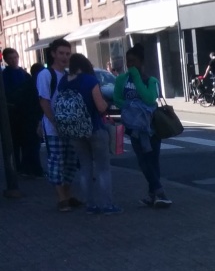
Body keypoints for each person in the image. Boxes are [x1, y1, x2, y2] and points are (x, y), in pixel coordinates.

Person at [114, 44, 170, 208]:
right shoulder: (121, 79)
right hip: (135, 128)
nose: (130, 65)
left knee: (153, 161)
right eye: (128, 62)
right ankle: (157, 193)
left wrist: (137, 78)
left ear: (141, 62)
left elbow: (149, 99)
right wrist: (132, 108)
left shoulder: (151, 80)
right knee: (143, 161)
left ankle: (156, 194)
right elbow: (117, 99)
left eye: (134, 61)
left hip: (152, 127)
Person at [61, 53, 116, 214]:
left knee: (85, 168)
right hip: (94, 128)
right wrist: (106, 104)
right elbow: (100, 107)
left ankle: (90, 205)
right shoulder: (90, 80)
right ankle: (107, 205)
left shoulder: (64, 82)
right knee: (102, 169)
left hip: (74, 130)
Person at [36, 39, 83, 212]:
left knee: (70, 162)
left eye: (67, 53)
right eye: (61, 53)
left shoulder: (69, 74)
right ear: (53, 54)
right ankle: (62, 198)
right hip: (54, 128)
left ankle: (68, 194)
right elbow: (44, 100)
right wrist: (54, 122)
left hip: (70, 126)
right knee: (56, 161)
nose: (64, 57)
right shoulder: (46, 75)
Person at [3, 47, 44, 178]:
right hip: (12, 114)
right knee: (14, 143)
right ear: (6, 60)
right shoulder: (4, 76)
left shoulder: (24, 74)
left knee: (27, 142)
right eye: (10, 59)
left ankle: (27, 167)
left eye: (15, 57)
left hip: (25, 114)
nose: (14, 60)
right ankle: (17, 168)